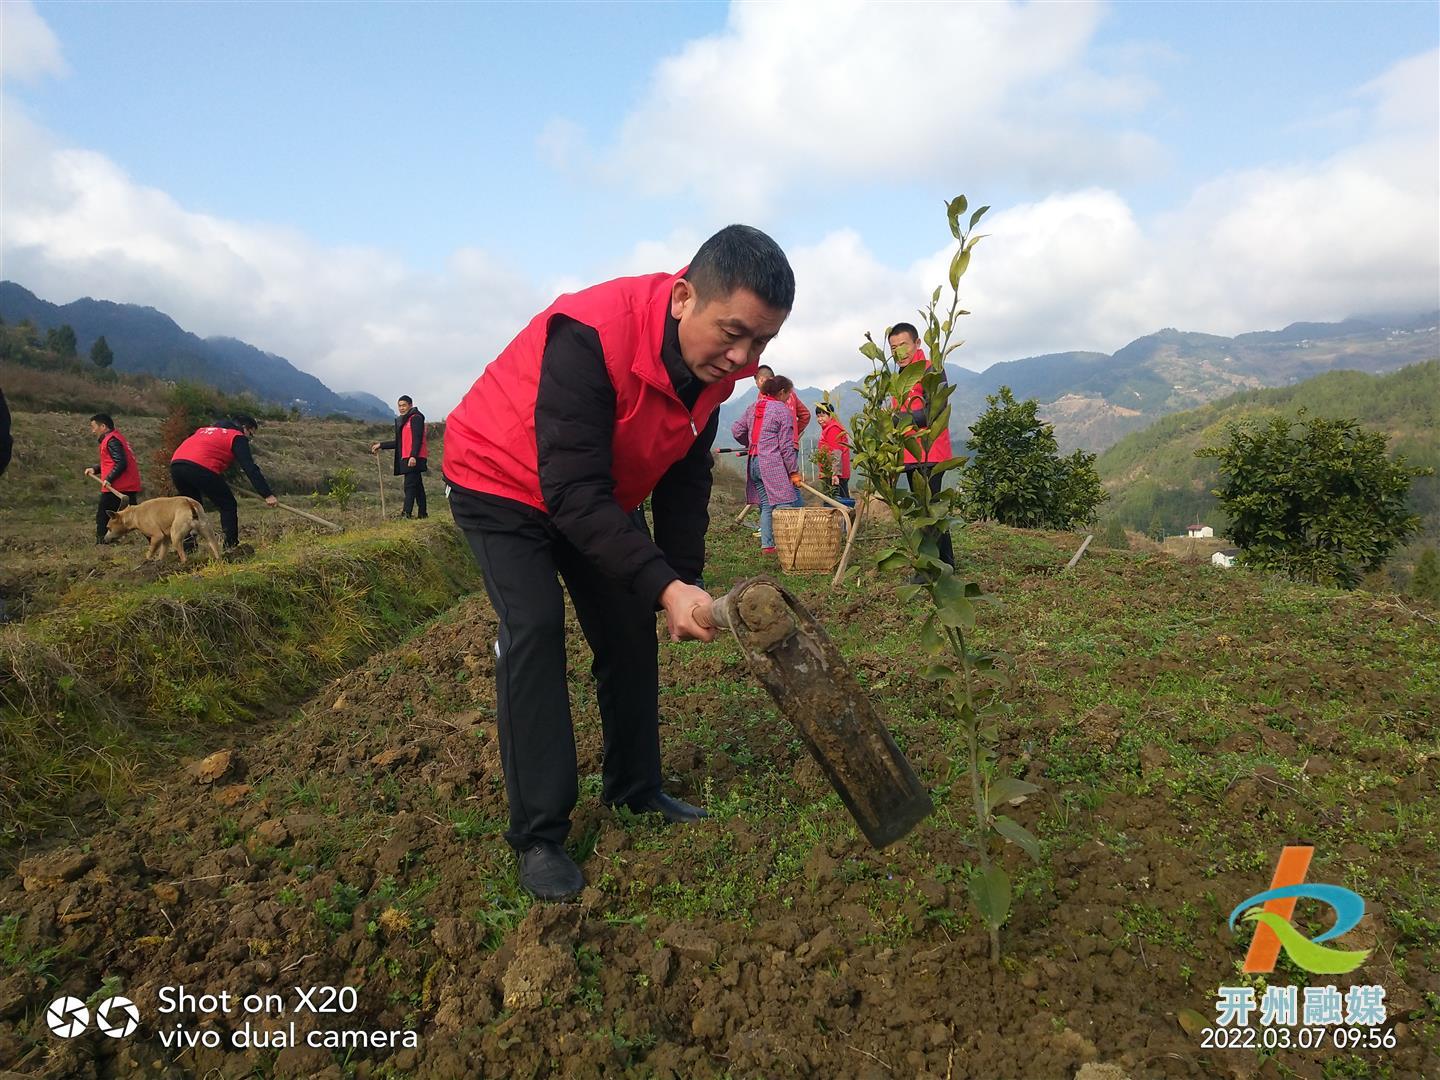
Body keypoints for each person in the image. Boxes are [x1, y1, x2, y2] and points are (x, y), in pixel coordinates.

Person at [442, 224, 794, 902]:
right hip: (499, 478)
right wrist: (661, 583)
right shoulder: (592, 334)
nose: (745, 356)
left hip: (591, 489)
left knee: (629, 623)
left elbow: (686, 476)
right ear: (684, 297)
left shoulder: (717, 373)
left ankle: (635, 789)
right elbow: (570, 493)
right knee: (535, 628)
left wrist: (679, 581)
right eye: (733, 332)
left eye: (763, 342)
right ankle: (539, 835)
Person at [889, 322, 956, 569]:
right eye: (893, 348)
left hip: (930, 451)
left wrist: (898, 419)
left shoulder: (932, 371)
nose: (899, 352)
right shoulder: (899, 378)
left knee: (928, 511)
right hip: (909, 453)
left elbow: (934, 410)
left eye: (903, 345)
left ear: (917, 344)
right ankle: (946, 562)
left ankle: (929, 566)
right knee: (925, 510)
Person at [169, 414, 278, 549]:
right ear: (245, 428)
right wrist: (267, 494)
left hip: (177, 466)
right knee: (228, 505)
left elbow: (203, 450)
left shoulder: (203, 430)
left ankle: (188, 547)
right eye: (250, 434)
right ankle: (231, 546)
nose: (249, 439)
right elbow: (250, 468)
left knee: (192, 508)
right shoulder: (236, 436)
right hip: (201, 467)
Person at [731, 375, 803, 554]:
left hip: (754, 463)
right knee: (786, 501)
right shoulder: (782, 411)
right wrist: (793, 471)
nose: (789, 398)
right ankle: (787, 547)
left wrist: (749, 442)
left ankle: (768, 545)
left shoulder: (753, 407)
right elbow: (786, 447)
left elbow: (736, 430)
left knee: (767, 504)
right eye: (788, 394)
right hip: (771, 464)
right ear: (781, 392)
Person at [84, 413, 143, 543]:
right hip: (128, 484)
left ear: (103, 426)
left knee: (103, 517)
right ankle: (154, 537)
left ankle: (102, 542)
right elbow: (110, 461)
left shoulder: (112, 441)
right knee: (138, 517)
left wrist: (109, 479)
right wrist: (95, 469)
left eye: (94, 427)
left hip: (117, 486)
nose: (92, 431)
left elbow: (121, 462)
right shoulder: (115, 438)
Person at [370, 395, 429, 519]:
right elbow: (399, 443)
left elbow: (417, 439)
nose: (401, 408)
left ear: (410, 405)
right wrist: (381, 445)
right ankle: (423, 514)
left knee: (409, 485)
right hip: (408, 458)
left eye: (404, 405)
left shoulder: (416, 418)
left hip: (414, 458)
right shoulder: (405, 421)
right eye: (399, 406)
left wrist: (413, 456)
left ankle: (406, 513)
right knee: (417, 487)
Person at [753, 363, 809, 448]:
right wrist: (793, 434)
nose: (757, 386)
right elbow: (805, 415)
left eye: (756, 382)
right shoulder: (790, 394)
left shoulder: (764, 396)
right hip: (791, 444)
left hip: (773, 446)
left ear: (761, 380)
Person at [814, 402, 851, 500]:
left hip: (835, 475)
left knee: (837, 506)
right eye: (818, 416)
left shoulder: (833, 429)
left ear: (830, 415)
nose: (820, 419)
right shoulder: (828, 428)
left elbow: (836, 451)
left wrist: (835, 474)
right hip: (832, 473)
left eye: (822, 416)